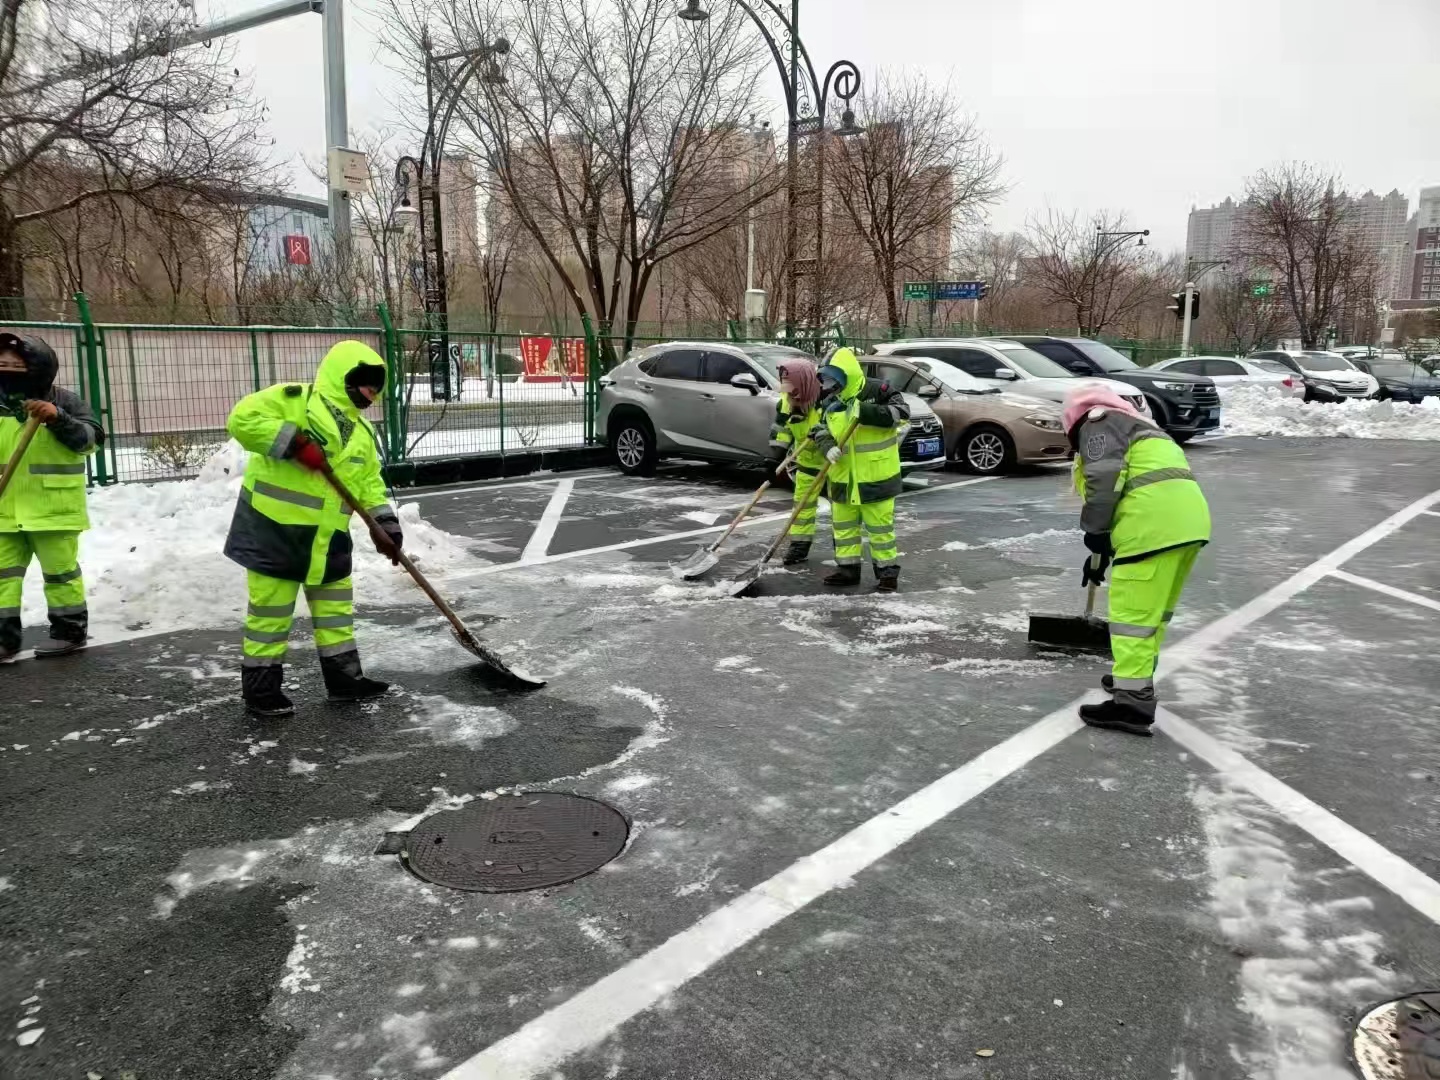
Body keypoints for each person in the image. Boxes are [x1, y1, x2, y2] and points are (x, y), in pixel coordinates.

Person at [224, 340, 403, 718]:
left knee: (336, 613)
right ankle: (261, 692)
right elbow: (242, 420)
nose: (372, 394)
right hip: (276, 530)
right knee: (270, 614)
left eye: (377, 388)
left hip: (328, 539)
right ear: (344, 376)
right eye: (367, 384)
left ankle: (345, 682)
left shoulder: (362, 435)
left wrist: (385, 522)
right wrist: (292, 442)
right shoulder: (295, 401)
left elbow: (369, 482)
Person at [1064, 384, 1211, 736]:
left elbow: (1104, 479)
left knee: (1131, 615)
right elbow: (1137, 483)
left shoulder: (1098, 423)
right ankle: (1132, 680)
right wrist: (1100, 554)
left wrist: (1095, 530)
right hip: (1187, 525)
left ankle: (1131, 704)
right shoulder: (1139, 426)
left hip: (1151, 528)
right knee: (1152, 616)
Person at [0, 332, 103, 659]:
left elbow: (91, 440)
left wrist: (59, 418)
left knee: (60, 575)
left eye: (18, 364)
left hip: (53, 510)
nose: (9, 369)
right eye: (2, 363)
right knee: (2, 579)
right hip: (5, 510)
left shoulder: (65, 401)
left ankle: (69, 631)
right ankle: (4, 639)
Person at [809, 347, 909, 592]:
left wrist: (866, 412)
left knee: (880, 529)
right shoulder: (831, 399)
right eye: (827, 381)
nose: (831, 386)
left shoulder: (879, 391)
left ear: (848, 375)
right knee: (844, 529)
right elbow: (819, 429)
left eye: (835, 380)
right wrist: (827, 446)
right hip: (842, 477)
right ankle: (847, 570)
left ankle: (887, 574)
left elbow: (902, 414)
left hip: (876, 477)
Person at [768, 357, 827, 566]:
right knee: (802, 507)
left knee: (843, 510)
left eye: (792, 385)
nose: (789, 391)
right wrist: (773, 459)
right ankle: (799, 548)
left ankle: (846, 553)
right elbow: (781, 431)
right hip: (808, 462)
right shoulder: (785, 402)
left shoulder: (825, 399)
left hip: (836, 461)